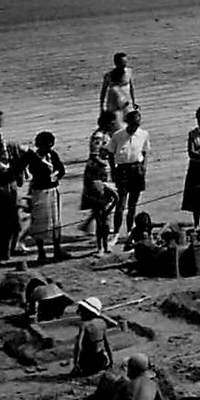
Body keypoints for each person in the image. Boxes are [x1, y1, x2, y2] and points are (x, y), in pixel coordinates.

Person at [22, 130, 67, 264]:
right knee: (40, 223)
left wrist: (56, 174)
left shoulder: (52, 155)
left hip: (53, 190)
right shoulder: (33, 158)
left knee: (55, 222)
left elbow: (61, 169)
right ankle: (41, 252)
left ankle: (57, 249)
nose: (48, 148)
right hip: (40, 192)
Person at [81, 111, 119, 255]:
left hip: (106, 176)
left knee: (107, 214)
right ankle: (100, 246)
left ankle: (105, 244)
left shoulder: (109, 136)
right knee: (100, 214)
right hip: (96, 177)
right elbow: (94, 156)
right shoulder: (98, 137)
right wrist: (109, 164)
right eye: (112, 122)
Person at [109, 108, 150, 239]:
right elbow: (110, 152)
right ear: (127, 123)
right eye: (132, 124)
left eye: (137, 124)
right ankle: (116, 232)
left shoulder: (143, 134)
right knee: (120, 203)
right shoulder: (118, 135)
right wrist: (113, 169)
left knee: (133, 204)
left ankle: (129, 231)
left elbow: (145, 151)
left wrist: (144, 167)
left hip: (136, 168)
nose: (134, 127)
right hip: (122, 169)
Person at [69, 297, 114, 377]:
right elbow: (107, 344)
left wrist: (75, 364)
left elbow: (78, 346)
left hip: (87, 363)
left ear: (88, 312)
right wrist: (111, 361)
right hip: (100, 361)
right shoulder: (102, 323)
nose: (79, 313)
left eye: (81, 311)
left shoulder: (84, 325)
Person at [99, 53, 137, 126]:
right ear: (115, 63)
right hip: (113, 105)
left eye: (125, 62)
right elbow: (103, 91)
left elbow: (131, 88)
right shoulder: (109, 75)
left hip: (126, 103)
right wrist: (101, 107)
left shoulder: (129, 72)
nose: (124, 64)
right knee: (114, 124)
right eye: (122, 62)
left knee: (129, 123)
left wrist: (133, 102)